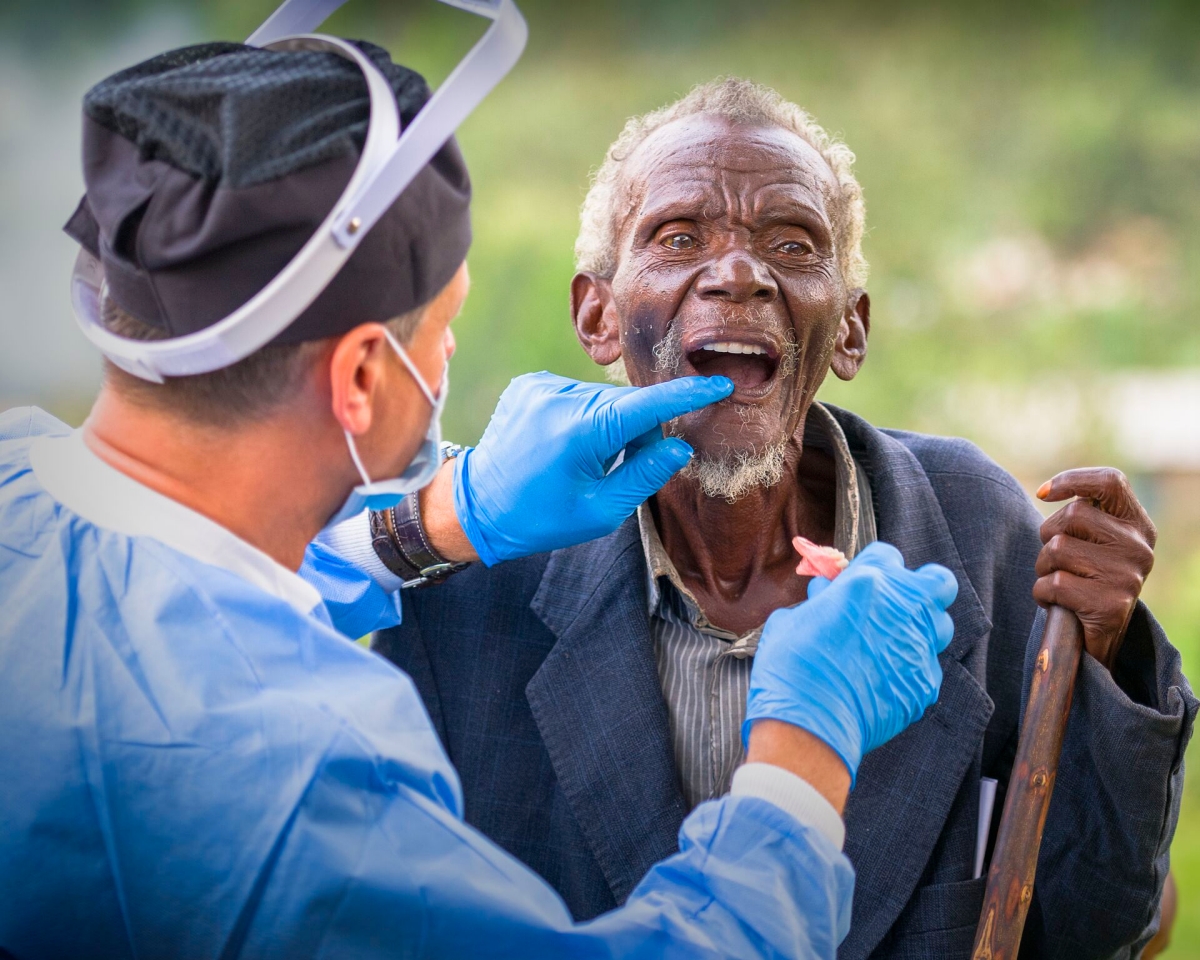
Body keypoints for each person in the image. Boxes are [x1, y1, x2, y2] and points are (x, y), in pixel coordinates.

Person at [0, 34, 962, 960]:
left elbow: (164, 616)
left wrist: (432, 522)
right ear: (363, 378)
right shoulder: (311, 780)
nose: (450, 356)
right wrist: (803, 749)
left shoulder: (17, 489)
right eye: (443, 325)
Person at [376, 78, 1198, 959]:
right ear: (598, 314)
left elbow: (1104, 927)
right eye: (679, 237)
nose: (737, 274)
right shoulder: (473, 573)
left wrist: (1105, 647)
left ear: (848, 330)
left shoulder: (977, 532)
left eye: (792, 243)